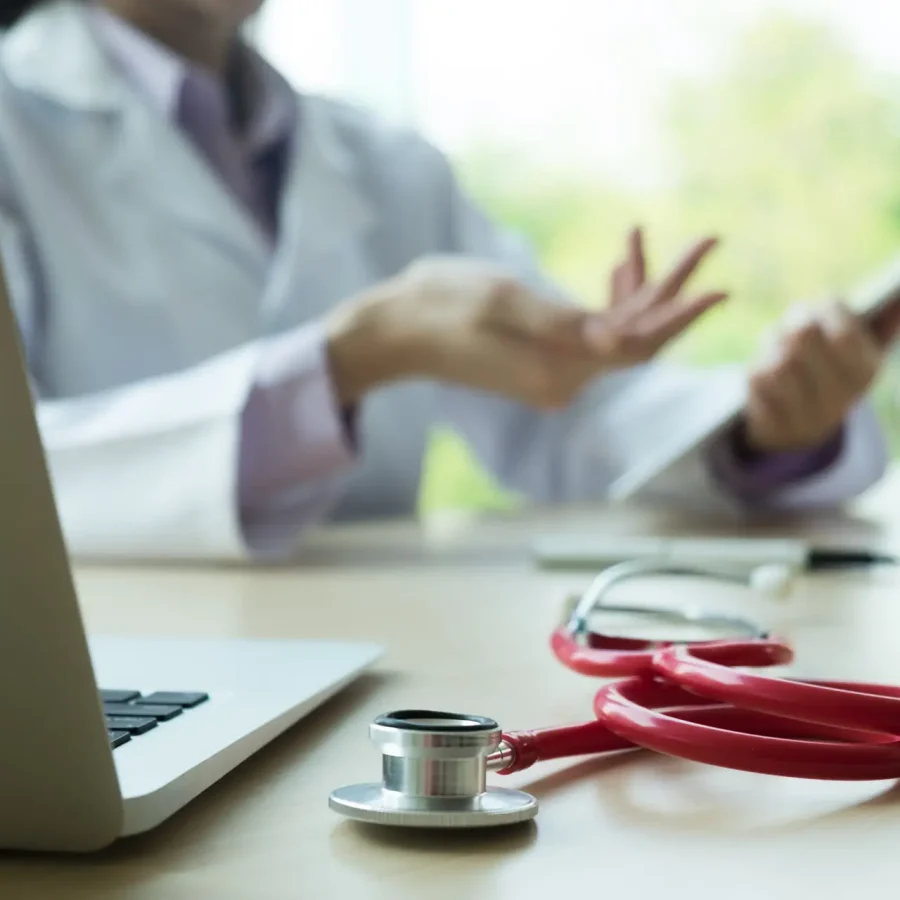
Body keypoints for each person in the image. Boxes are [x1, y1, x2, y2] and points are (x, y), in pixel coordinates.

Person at [0, 0, 893, 561]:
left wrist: (770, 430)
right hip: (113, 680)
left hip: (381, 674)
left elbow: (570, 423)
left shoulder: (389, 166)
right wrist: (348, 363)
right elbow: (27, 487)